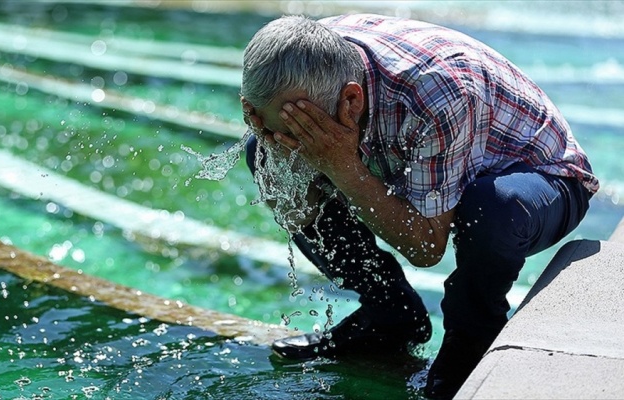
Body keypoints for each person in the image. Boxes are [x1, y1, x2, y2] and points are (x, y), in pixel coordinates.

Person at [239, 14, 598, 399]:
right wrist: (276, 149)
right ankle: (390, 314)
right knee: (258, 152)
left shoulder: (436, 91)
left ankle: (471, 340)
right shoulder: (288, 65)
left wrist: (342, 166)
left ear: (351, 100)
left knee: (491, 207)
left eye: (301, 132)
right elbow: (293, 192)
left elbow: (426, 248)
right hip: (425, 150)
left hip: (543, 179)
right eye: (268, 125)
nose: (286, 142)